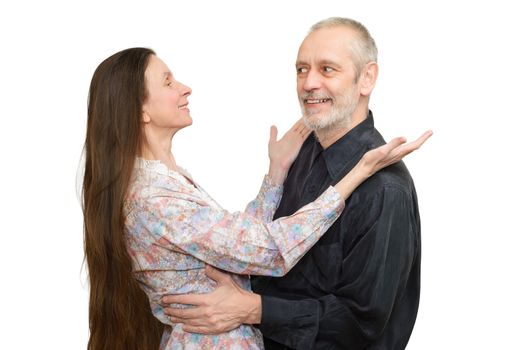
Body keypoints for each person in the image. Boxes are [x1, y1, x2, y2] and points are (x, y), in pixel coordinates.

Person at [82, 47, 430, 349]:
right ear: (139, 110)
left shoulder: (168, 179)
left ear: (366, 79)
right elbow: (268, 251)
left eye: (327, 69)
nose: (185, 88)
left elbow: (237, 244)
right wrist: (357, 173)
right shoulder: (153, 198)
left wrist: (276, 172)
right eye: (168, 81)